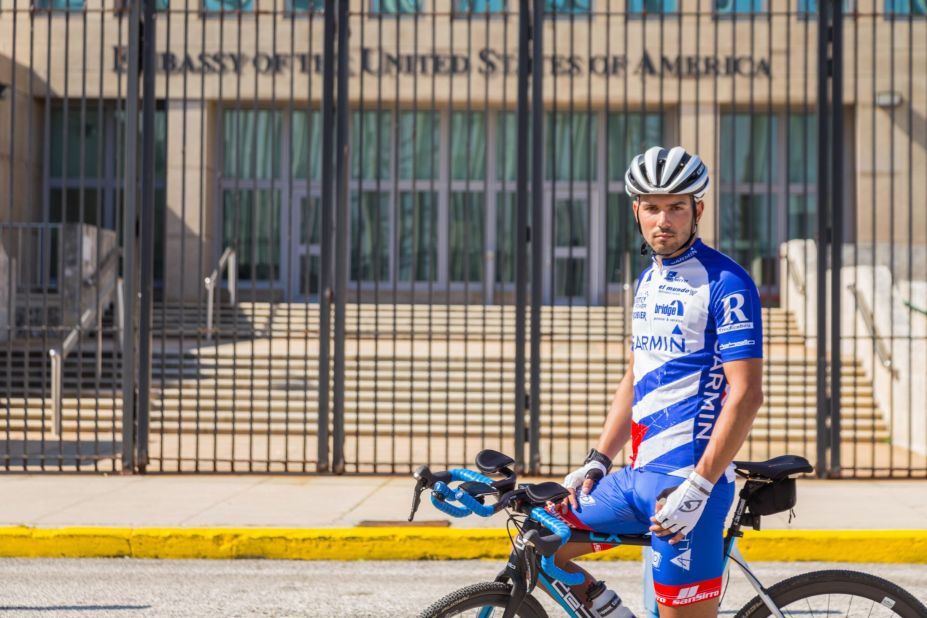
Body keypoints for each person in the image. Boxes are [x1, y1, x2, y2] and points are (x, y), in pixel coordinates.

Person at [546, 146, 765, 617]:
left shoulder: (727, 282)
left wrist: (700, 486)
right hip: (635, 478)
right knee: (542, 539)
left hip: (686, 483)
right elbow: (635, 373)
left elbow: (746, 394)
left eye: (676, 207)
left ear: (697, 210)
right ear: (636, 211)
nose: (663, 219)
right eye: (652, 207)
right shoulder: (647, 280)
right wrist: (598, 459)